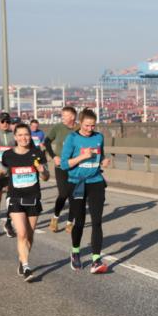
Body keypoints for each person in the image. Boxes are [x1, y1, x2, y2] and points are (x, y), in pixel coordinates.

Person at [0, 123, 49, 281]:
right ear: (15, 137)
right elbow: (3, 169)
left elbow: (46, 177)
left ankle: (22, 260)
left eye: (27, 134)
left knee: (30, 236)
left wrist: (42, 171)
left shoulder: (37, 153)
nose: (24, 137)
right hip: (15, 197)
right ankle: (26, 267)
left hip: (33, 197)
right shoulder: (8, 155)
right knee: (22, 233)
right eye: (21, 135)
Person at [60, 108, 111, 273]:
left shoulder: (98, 137)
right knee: (80, 221)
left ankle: (96, 259)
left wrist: (103, 160)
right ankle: (75, 252)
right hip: (77, 183)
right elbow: (64, 164)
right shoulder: (72, 138)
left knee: (97, 221)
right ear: (80, 123)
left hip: (96, 181)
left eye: (93, 126)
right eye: (87, 126)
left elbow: (100, 155)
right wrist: (82, 157)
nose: (90, 129)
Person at [44, 106, 78, 233]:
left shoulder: (79, 129)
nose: (62, 117)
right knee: (63, 193)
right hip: (61, 166)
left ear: (73, 117)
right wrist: (54, 156)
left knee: (74, 196)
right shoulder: (58, 128)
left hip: (76, 167)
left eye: (65, 115)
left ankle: (70, 223)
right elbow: (46, 142)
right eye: (62, 115)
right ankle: (55, 218)